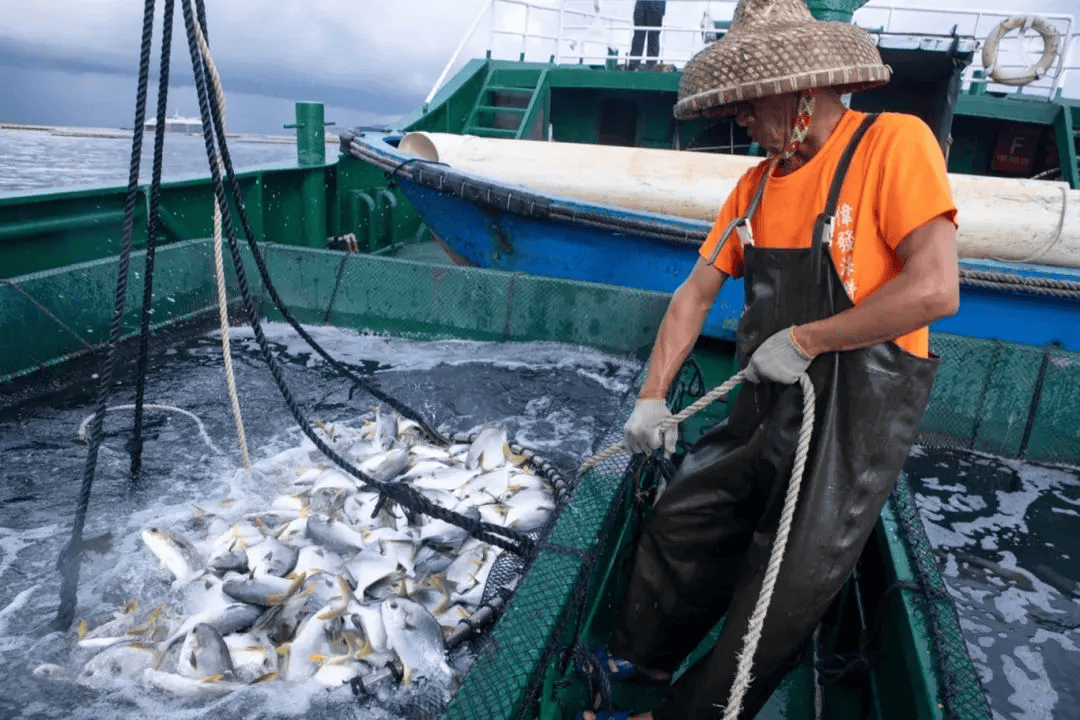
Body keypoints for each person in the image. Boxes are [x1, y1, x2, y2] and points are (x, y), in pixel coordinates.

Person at [580, 0, 960, 718]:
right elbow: (694, 298)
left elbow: (936, 289)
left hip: (852, 420)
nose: (743, 123)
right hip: (766, 404)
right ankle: (646, 657)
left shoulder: (892, 143)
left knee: (780, 599)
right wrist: (651, 398)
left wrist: (810, 339)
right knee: (684, 512)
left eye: (750, 107)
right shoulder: (754, 185)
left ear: (802, 92)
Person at [629, 1, 667, 69]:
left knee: (653, 37)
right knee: (638, 35)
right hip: (642, 5)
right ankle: (633, 65)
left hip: (656, 5)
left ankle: (651, 66)